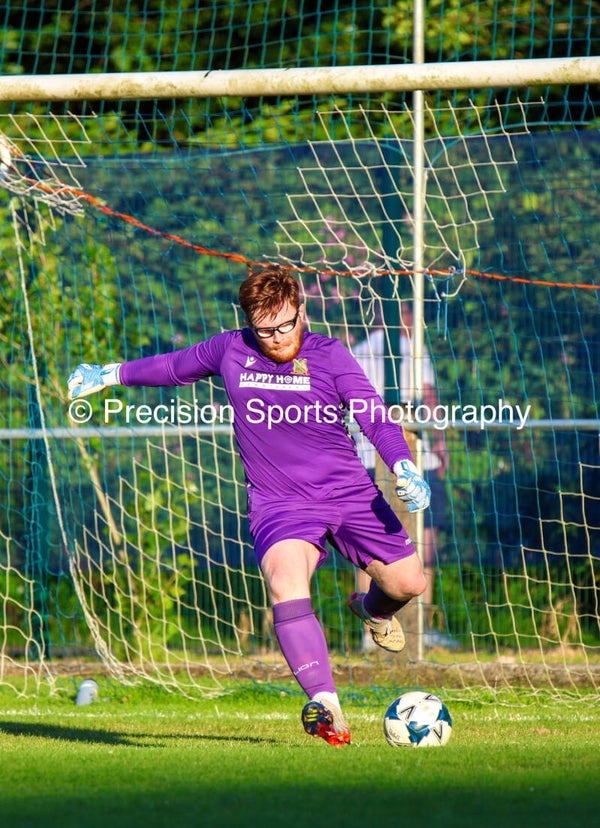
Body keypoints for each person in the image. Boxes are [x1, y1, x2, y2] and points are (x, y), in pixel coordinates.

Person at [67, 265, 431, 747]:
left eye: (285, 325)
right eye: (265, 329)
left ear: (302, 310)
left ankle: (373, 611)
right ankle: (326, 706)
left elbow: (374, 419)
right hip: (279, 501)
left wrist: (402, 465)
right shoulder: (231, 348)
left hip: (349, 492)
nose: (278, 337)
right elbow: (173, 368)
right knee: (285, 582)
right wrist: (111, 374)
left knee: (409, 583)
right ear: (249, 322)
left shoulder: (332, 356)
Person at [352, 303, 456, 649]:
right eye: (412, 314)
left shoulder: (357, 352)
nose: (414, 322)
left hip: (373, 458)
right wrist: (441, 445)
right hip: (412, 459)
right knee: (418, 545)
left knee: (372, 551)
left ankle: (386, 631)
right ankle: (404, 632)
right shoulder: (409, 350)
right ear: (402, 316)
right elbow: (428, 398)